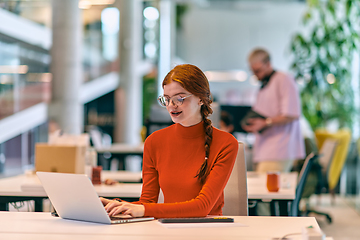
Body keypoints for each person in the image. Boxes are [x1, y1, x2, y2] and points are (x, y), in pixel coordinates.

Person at [101, 64, 239, 219]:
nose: (171, 106)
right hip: (168, 228)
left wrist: (144, 210)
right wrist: (120, 205)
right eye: (166, 99)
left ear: (201, 99)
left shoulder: (226, 143)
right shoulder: (154, 141)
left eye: (179, 98)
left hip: (208, 230)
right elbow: (148, 201)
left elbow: (203, 207)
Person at [242, 48, 305, 173]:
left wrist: (266, 123)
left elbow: (291, 114)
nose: (256, 75)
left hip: (279, 149)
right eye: (253, 71)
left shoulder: (284, 79)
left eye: (258, 71)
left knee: (265, 191)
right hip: (265, 148)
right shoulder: (263, 86)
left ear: (268, 64)